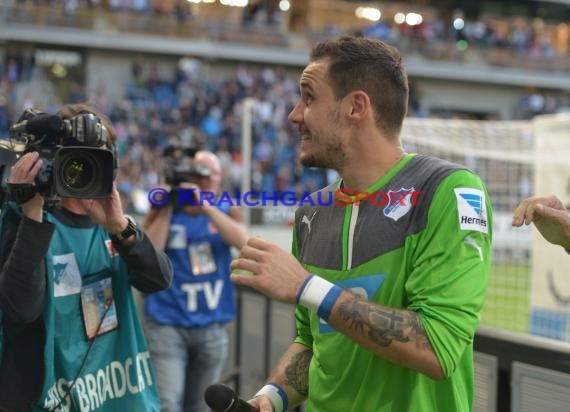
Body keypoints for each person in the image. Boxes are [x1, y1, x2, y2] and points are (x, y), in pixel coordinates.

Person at [230, 35, 493, 412]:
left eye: (308, 97)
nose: (294, 114)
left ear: (356, 106)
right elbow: (313, 340)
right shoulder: (312, 213)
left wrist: (305, 286)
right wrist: (271, 399)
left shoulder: (446, 191)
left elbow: (438, 347)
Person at [0, 103, 173, 411]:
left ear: (113, 164)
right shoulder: (25, 218)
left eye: (97, 157)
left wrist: (120, 228)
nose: (82, 166)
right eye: (74, 158)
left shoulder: (114, 225)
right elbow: (20, 310)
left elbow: (158, 280)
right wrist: (32, 212)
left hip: (119, 397)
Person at [143, 150, 248, 412]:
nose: (202, 181)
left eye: (208, 175)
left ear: (218, 179)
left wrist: (206, 207)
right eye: (196, 174)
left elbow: (244, 241)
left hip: (211, 327)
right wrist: (167, 207)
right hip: (168, 324)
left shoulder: (224, 209)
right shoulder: (166, 208)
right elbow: (149, 253)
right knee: (167, 403)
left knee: (200, 406)